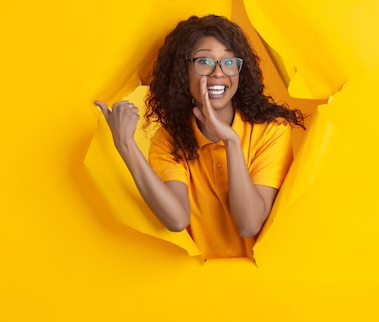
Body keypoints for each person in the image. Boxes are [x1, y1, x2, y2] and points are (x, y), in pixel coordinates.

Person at [95, 15, 304, 259]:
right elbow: (176, 219)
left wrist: (231, 142)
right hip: (198, 288)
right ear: (183, 71)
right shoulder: (169, 141)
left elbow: (249, 224)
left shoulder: (272, 131)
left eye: (228, 62)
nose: (218, 73)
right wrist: (125, 144)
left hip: (262, 283)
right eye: (204, 61)